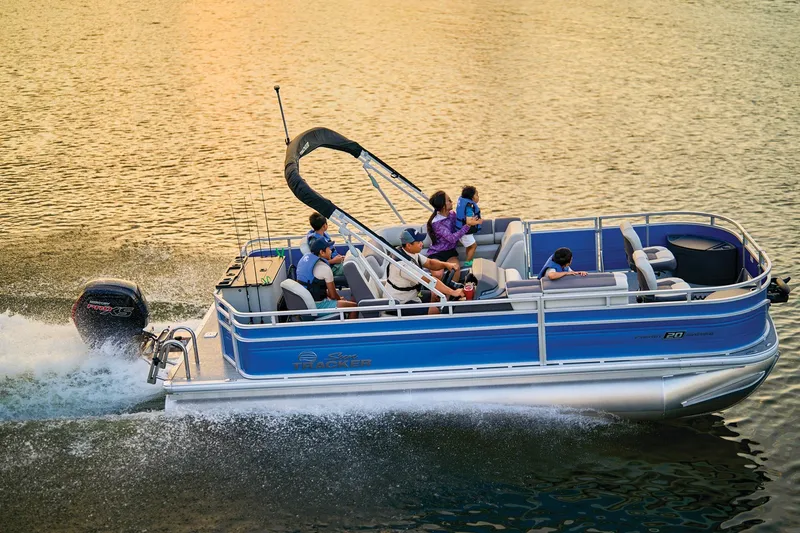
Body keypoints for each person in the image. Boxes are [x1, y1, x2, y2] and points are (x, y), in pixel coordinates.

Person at [384, 228, 464, 315]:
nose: (422, 244)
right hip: (400, 302)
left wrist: (446, 265)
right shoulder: (403, 265)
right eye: (418, 242)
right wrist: (453, 292)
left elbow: (430, 263)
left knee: (435, 296)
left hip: (412, 294)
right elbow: (429, 280)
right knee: (436, 311)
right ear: (408, 245)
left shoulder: (411, 253)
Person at [296, 236, 358, 318]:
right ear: (322, 252)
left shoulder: (304, 260)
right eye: (328, 249)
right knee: (354, 307)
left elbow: (315, 287)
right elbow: (333, 296)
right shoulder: (324, 268)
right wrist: (340, 299)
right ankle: (349, 330)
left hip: (304, 304)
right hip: (317, 306)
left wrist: (338, 298)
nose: (331, 251)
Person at [426, 190, 482, 282]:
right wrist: (467, 226)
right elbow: (452, 238)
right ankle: (438, 294)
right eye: (449, 200)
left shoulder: (452, 215)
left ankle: (451, 294)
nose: (452, 202)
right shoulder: (437, 223)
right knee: (438, 274)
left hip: (450, 253)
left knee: (455, 269)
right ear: (443, 206)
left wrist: (471, 218)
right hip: (436, 254)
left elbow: (461, 221)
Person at [307, 212, 345, 276]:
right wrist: (334, 261)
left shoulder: (324, 235)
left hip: (337, 261)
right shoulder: (314, 242)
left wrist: (340, 257)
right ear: (324, 226)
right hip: (332, 267)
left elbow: (332, 251)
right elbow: (317, 263)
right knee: (356, 268)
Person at [454, 186, 481, 267]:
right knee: (474, 246)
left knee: (469, 246)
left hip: (461, 230)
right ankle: (468, 262)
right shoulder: (469, 207)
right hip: (465, 232)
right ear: (472, 197)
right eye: (477, 195)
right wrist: (477, 221)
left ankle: (469, 260)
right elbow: (468, 221)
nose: (478, 197)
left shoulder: (464, 203)